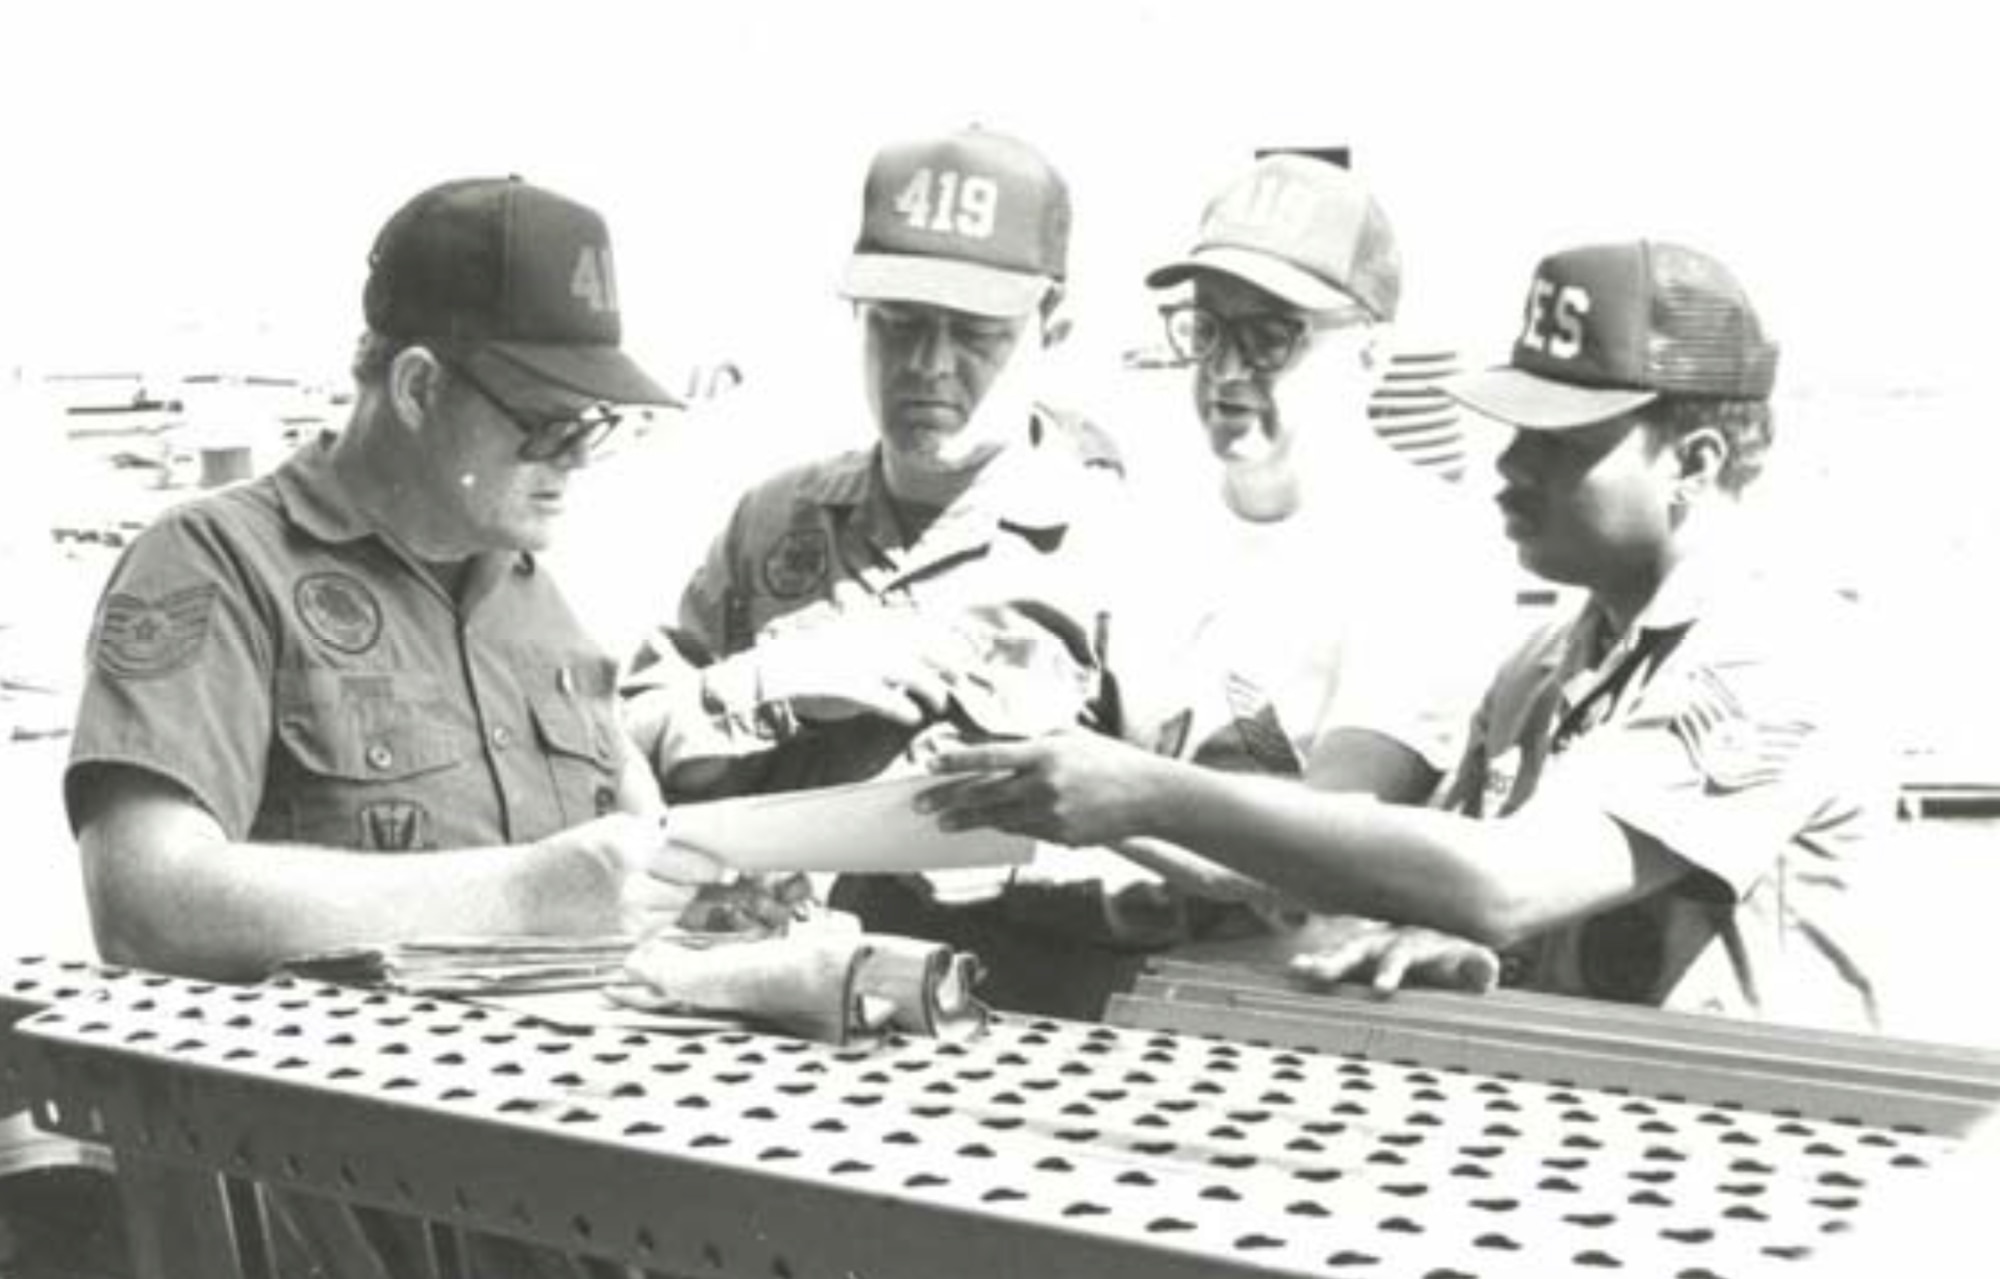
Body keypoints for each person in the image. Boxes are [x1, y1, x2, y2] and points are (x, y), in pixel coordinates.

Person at [925, 240, 1890, 1032]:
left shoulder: (1781, 651)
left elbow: (1505, 881)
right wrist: (1458, 948)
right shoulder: (1547, 668)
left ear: (1695, 459)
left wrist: (1147, 793)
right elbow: (1463, 904)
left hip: (1776, 1150)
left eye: (1558, 439)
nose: (1509, 464)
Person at [63, 175, 721, 1276]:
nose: (573, 460)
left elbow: (634, 875)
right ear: (417, 384)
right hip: (324, 1222)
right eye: (548, 424)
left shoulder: (543, 606)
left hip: (567, 1215)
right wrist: (527, 893)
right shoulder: (221, 567)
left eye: (597, 426)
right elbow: (143, 897)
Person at [619, 127, 1132, 1018]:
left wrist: (1030, 862)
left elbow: (1219, 845)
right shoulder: (774, 520)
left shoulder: (1123, 551)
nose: (929, 365)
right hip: (759, 1032)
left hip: (1010, 1039)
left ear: (1054, 328)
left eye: (975, 334)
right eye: (897, 325)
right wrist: (781, 679)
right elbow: (623, 750)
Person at [1095, 152, 1511, 959]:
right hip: (1124, 973)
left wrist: (1103, 804)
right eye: (1207, 328)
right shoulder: (1141, 524)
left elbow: (1325, 846)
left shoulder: (1431, 555)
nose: (1224, 369)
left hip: (1314, 1005)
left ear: (1371, 355)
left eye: (1270, 337)